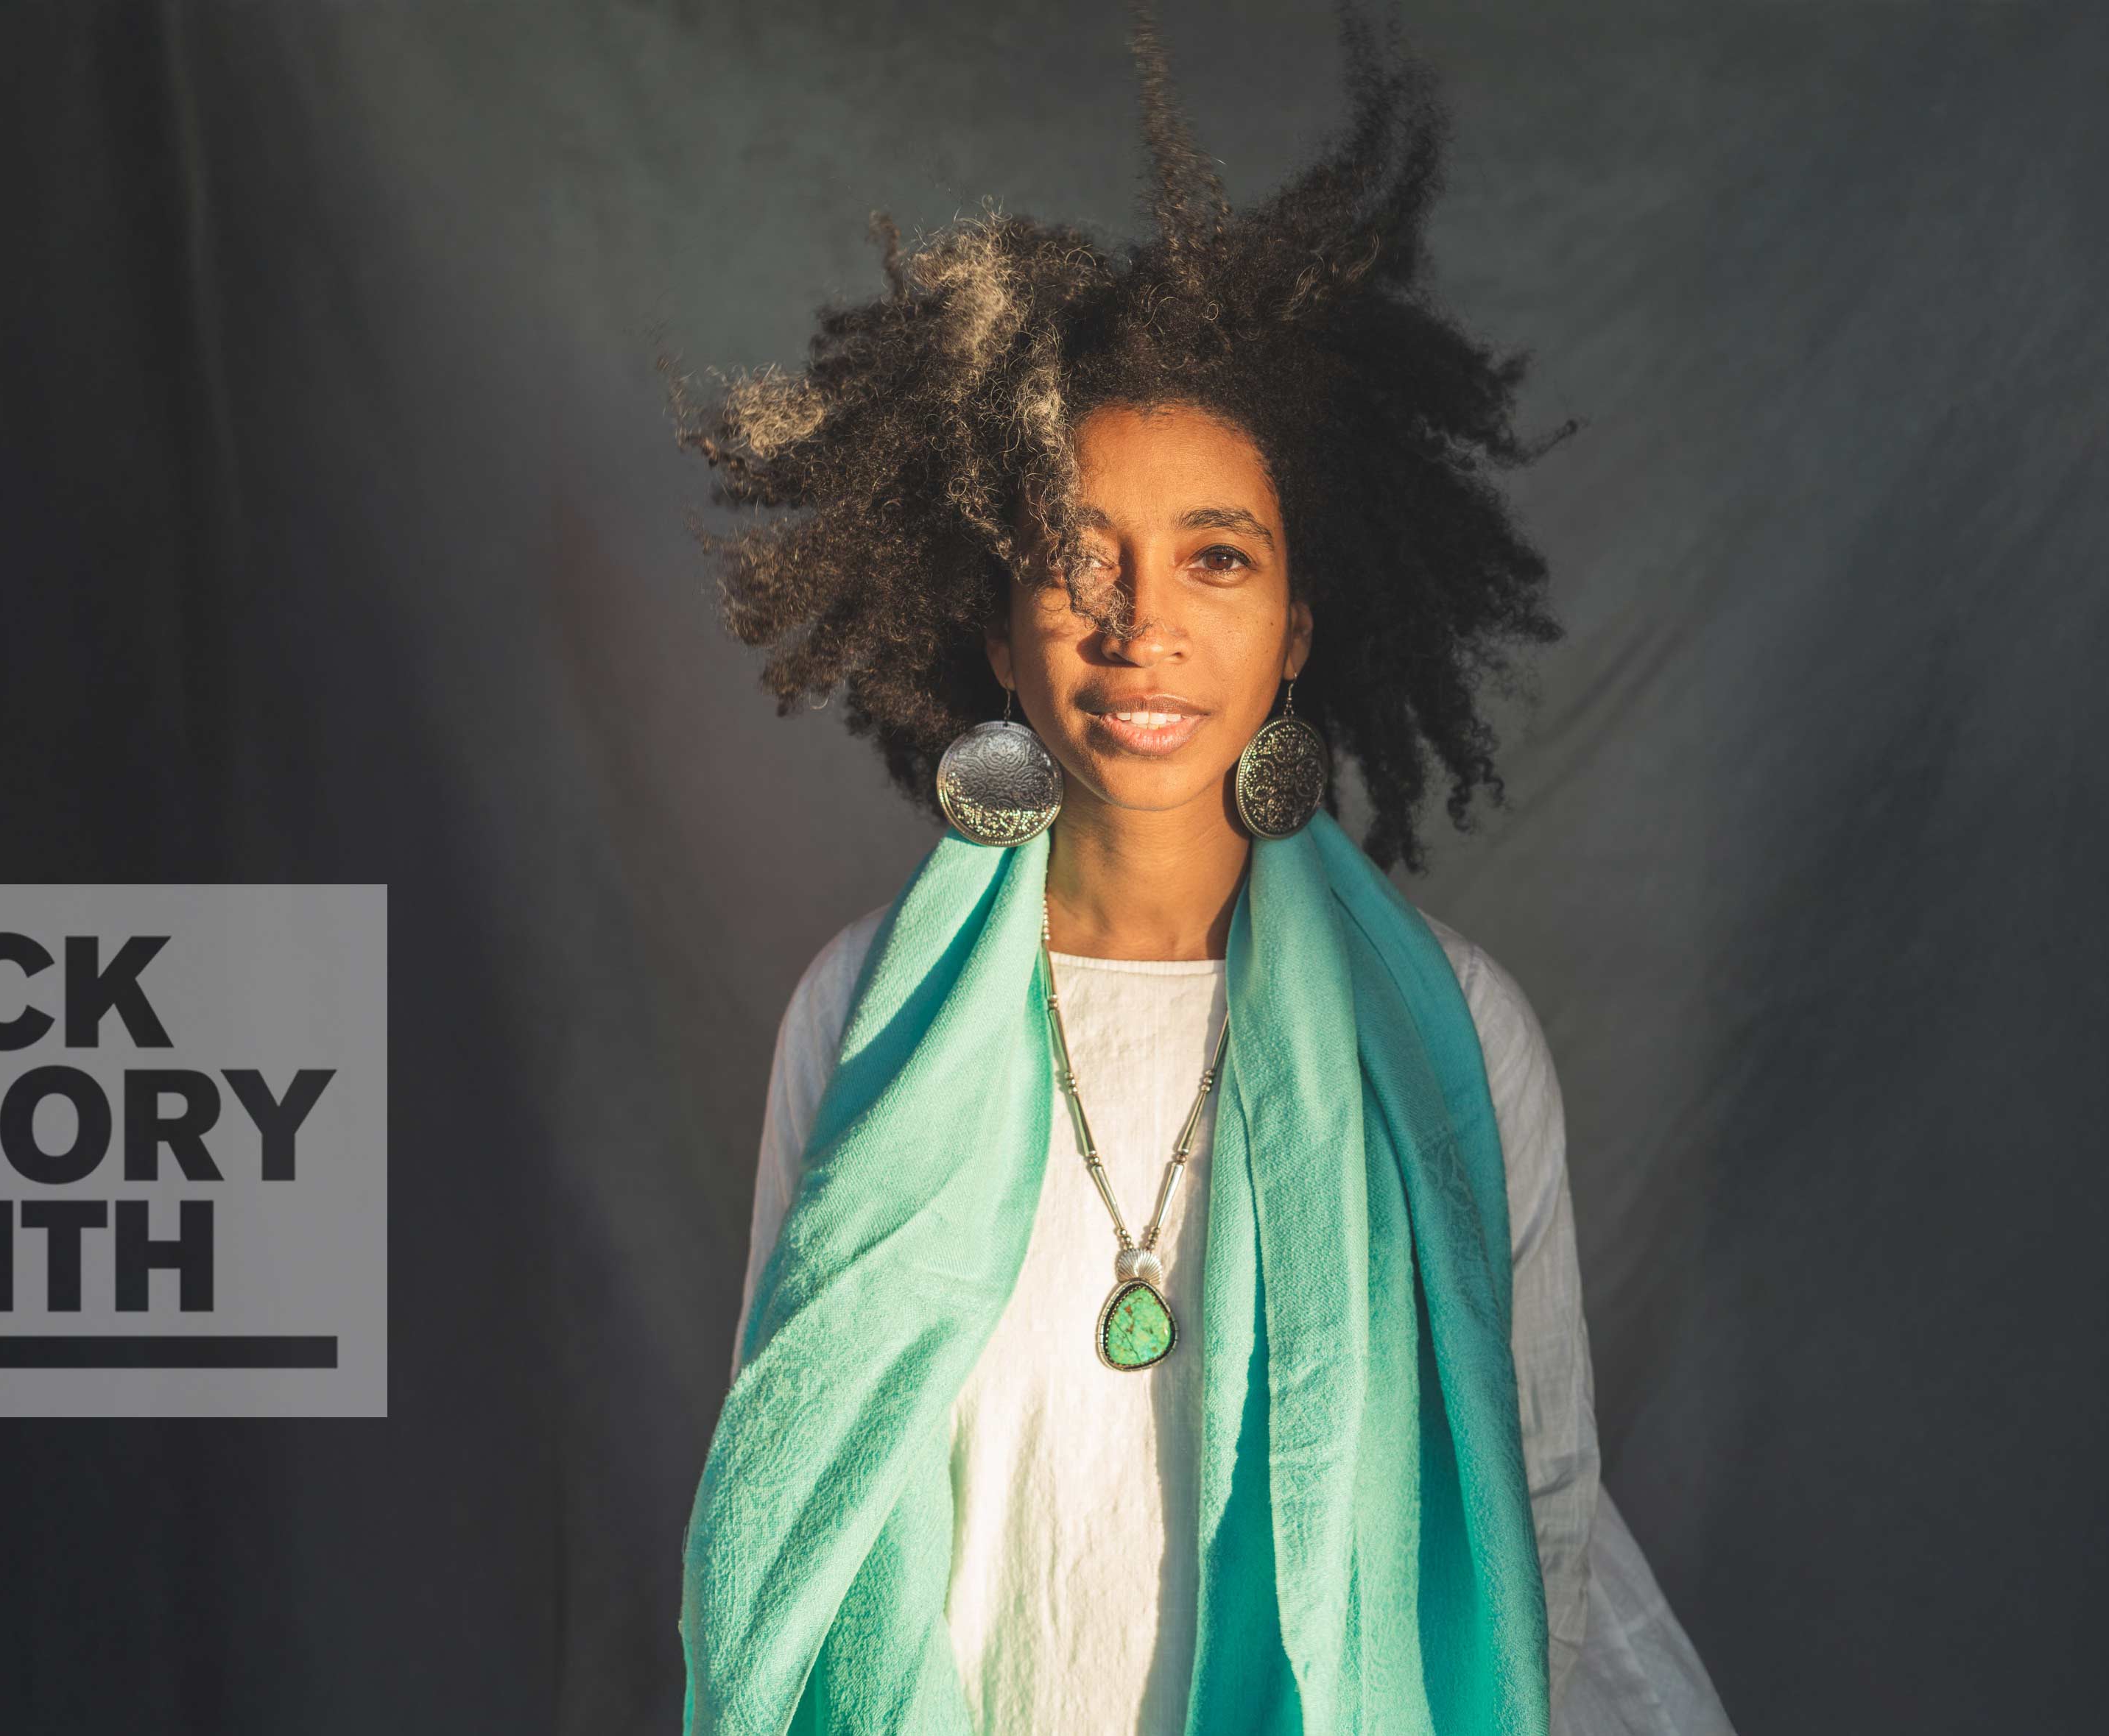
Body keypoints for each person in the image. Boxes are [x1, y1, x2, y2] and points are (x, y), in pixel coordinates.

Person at [667, 6, 1735, 1732]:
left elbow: (1533, 1504)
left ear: (1297, 629)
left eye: (1215, 559)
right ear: (998, 639)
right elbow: (781, 1503)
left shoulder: (1457, 1036)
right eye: (1074, 562)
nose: (1141, 623)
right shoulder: (855, 1012)